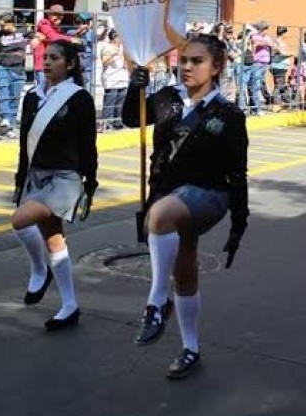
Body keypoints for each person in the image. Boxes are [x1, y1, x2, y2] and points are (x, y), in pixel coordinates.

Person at [122, 34, 249, 379]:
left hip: (209, 196)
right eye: (184, 60)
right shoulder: (166, 98)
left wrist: (238, 225)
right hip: (169, 193)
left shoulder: (229, 114)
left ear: (217, 66)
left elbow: (238, 174)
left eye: (197, 61)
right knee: (185, 269)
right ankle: (191, 349)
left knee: (160, 217)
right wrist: (137, 87)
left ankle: (156, 302)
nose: (188, 67)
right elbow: (132, 119)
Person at [11, 40, 97, 331]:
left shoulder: (79, 98)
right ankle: (70, 305)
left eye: (55, 58)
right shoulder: (32, 97)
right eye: (45, 57)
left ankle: (39, 269)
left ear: (70, 64)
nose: (47, 62)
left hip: (66, 178)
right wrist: (20, 178)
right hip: (36, 174)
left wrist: (91, 183)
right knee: (53, 239)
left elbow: (89, 145)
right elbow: (25, 143)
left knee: (21, 221)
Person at [0, 12, 31, 139]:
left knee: (15, 97)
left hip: (18, 68)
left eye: (4, 25)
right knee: (3, 91)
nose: (2, 28)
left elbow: (36, 37)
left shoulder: (24, 30)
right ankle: (5, 119)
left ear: (11, 23)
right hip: (2, 66)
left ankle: (10, 127)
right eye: (0, 25)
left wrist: (35, 41)